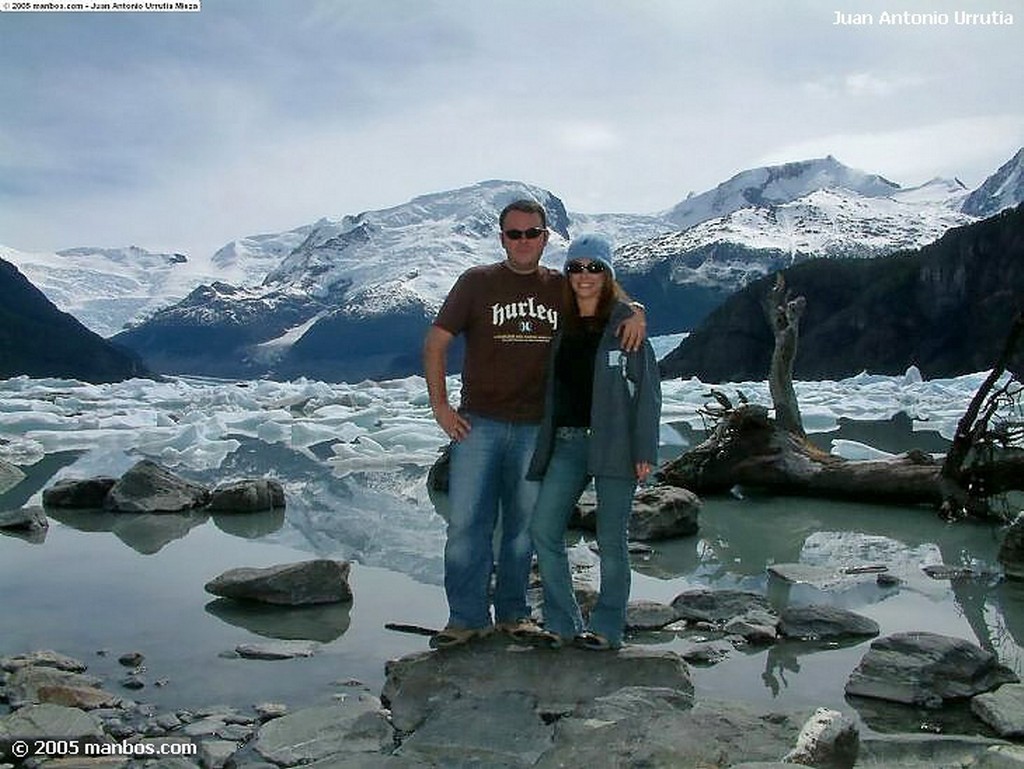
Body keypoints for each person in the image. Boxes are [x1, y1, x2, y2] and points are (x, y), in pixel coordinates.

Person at [423, 201, 646, 649]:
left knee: (524, 530)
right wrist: (441, 407)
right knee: (467, 524)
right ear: (502, 237)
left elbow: (603, 296)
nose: (523, 241)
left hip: (535, 430)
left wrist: (636, 310)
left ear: (546, 237)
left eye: (532, 233)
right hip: (479, 424)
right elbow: (436, 343)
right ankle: (466, 618)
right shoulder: (476, 282)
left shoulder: (557, 288)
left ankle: (513, 614)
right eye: (514, 234)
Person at [527, 232, 662, 651]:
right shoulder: (559, 323)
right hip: (567, 443)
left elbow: (648, 393)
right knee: (544, 530)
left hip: (615, 446)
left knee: (611, 541)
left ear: (608, 274)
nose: (584, 275)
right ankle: (562, 622)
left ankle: (607, 629)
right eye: (576, 267)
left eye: (594, 267)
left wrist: (644, 450)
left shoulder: (625, 327)